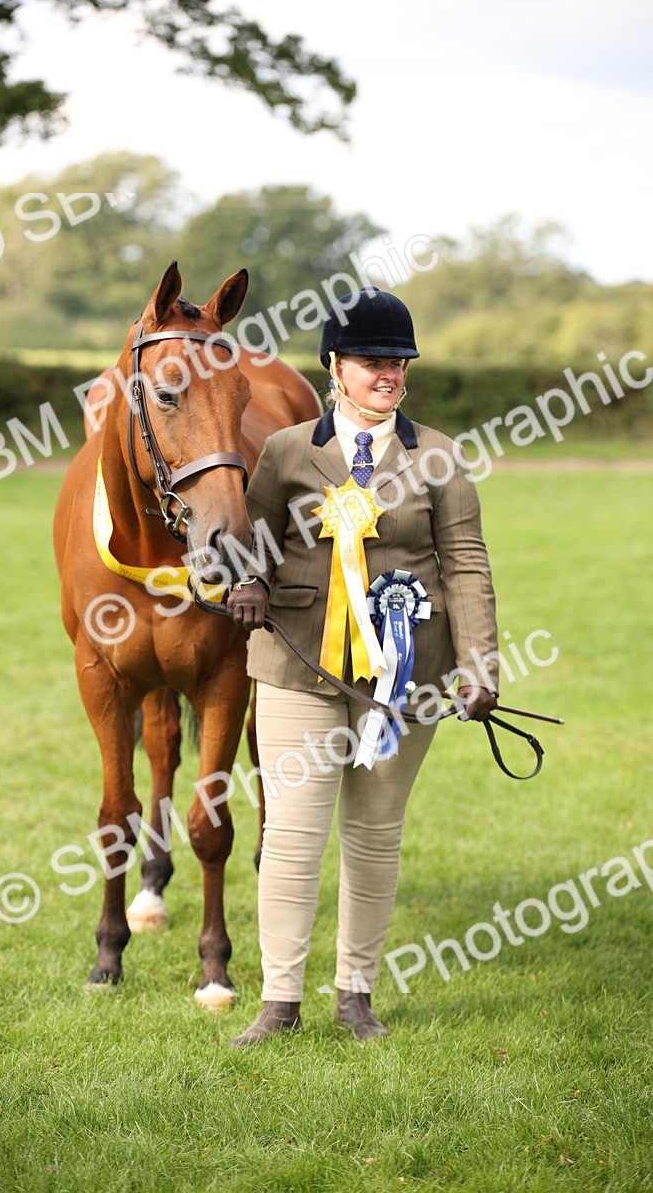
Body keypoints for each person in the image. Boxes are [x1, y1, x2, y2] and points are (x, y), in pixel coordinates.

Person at [225, 287, 499, 1047]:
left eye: (399, 363)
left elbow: (466, 563)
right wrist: (246, 581)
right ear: (335, 367)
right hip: (298, 665)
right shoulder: (287, 451)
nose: (389, 374)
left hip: (404, 677)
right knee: (291, 834)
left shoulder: (438, 454)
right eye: (373, 361)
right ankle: (279, 1001)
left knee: (376, 833)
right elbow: (250, 542)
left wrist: (479, 665)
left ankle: (355, 995)